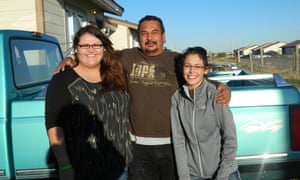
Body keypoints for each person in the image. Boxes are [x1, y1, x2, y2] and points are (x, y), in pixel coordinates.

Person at [55, 15, 231, 180]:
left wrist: (222, 87)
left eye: (155, 32)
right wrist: (72, 59)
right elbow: (95, 56)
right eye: (144, 33)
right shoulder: (126, 57)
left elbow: (197, 76)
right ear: (138, 36)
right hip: (138, 148)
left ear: (164, 36)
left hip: (175, 145)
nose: (149, 37)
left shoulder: (177, 60)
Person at [45, 25, 132, 180]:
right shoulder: (63, 80)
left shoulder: (117, 73)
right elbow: (54, 125)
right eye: (84, 45)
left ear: (104, 48)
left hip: (121, 165)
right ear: (76, 49)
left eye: (96, 45)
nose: (91, 50)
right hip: (83, 169)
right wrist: (64, 165)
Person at [170, 46, 240, 180]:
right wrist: (184, 177)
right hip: (194, 175)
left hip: (224, 174)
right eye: (187, 66)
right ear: (181, 68)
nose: (191, 71)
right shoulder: (177, 98)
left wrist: (222, 176)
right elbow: (179, 142)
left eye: (197, 66)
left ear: (205, 70)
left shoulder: (217, 96)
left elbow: (230, 140)